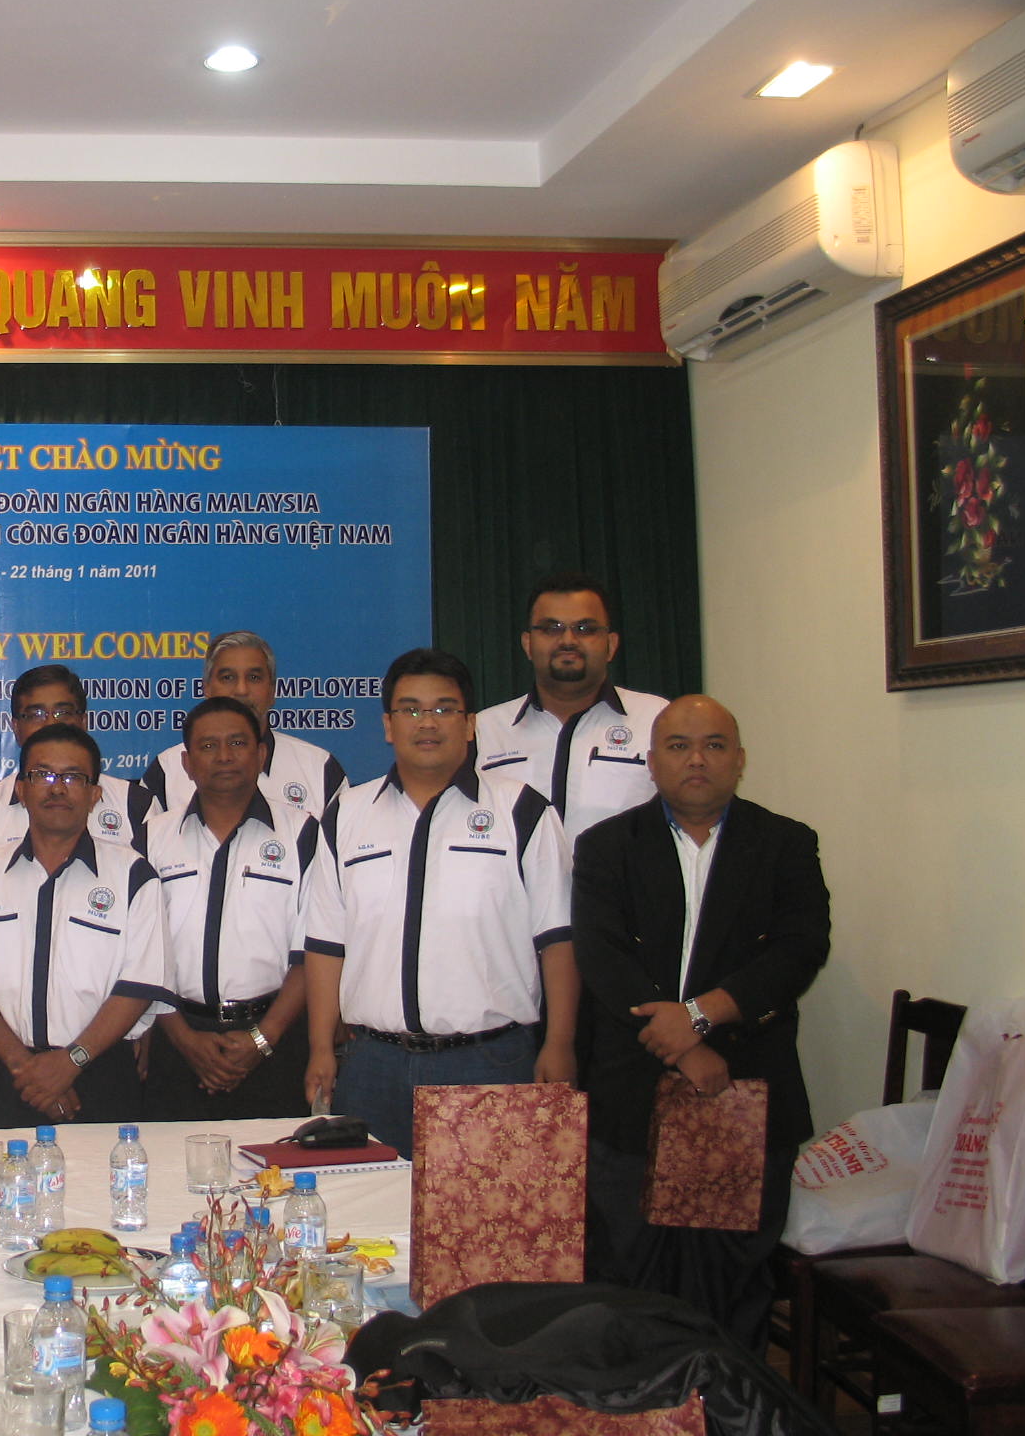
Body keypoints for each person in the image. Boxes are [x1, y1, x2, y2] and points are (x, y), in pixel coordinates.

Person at [573, 694, 831, 1348]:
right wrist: (686, 1048)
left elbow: (800, 949)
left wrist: (702, 1016)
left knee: (734, 1278)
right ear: (651, 760)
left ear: (739, 760)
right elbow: (602, 958)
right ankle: (640, 1398)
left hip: (743, 1087)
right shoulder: (606, 847)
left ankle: (729, 1397)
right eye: (679, 746)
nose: (697, 760)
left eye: (714, 746)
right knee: (628, 1269)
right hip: (632, 1088)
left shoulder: (786, 844)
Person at [304, 648, 577, 1159]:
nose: (426, 722)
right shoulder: (346, 816)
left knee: (488, 1208)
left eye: (443, 709)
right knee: (370, 1208)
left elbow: (558, 940)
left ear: (470, 724)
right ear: (388, 725)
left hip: (488, 1061)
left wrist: (559, 1043)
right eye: (410, 709)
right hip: (372, 1066)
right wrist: (321, 1047)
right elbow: (325, 944)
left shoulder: (522, 811)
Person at [0, 723, 170, 1127]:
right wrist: (24, 1066)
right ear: (21, 790)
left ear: (95, 795)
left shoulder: (134, 875)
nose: (57, 788)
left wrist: (70, 1062)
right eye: (42, 775)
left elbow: (138, 986)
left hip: (102, 1072)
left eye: (73, 777)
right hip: (10, 1074)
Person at [142, 697, 339, 1121]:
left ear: (261, 754)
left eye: (237, 743)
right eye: (208, 746)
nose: (224, 756)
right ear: (186, 763)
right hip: (176, 1041)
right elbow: (139, 954)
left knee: (273, 1161)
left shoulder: (303, 835)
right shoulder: (151, 839)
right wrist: (184, 1039)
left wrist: (262, 1039)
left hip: (276, 1038)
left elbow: (312, 951)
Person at [0, 665, 154, 904]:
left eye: (62, 713)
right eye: (36, 714)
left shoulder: (134, 804)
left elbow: (153, 902)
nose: (50, 724)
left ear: (83, 721)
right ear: (16, 727)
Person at [473, 573, 669, 845]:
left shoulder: (657, 719)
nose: (568, 640)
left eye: (585, 629)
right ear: (528, 644)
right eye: (551, 628)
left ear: (611, 645)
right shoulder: (485, 730)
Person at [141, 630, 348, 821]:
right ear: (207, 689)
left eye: (254, 678)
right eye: (228, 677)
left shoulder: (319, 769)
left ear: (272, 691)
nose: (241, 690)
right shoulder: (166, 772)